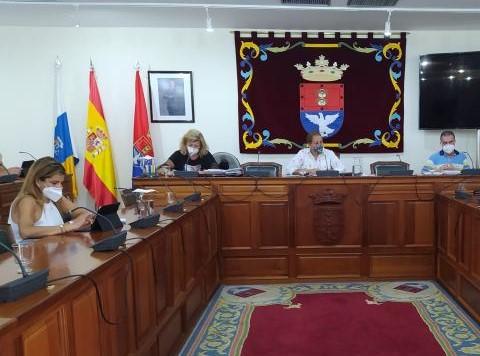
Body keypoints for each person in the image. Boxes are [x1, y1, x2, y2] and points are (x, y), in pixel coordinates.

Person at [8, 156, 93, 242]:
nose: (60, 187)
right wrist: (66, 227)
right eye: (54, 183)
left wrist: (79, 222)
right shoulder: (27, 200)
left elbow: (84, 213)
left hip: (56, 250)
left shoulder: (53, 197)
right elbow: (25, 232)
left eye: (61, 182)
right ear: (37, 181)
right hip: (31, 253)